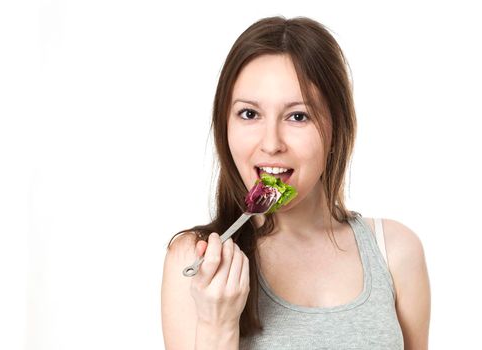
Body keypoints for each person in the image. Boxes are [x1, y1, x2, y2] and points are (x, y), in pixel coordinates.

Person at [161, 16, 430, 350]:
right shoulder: (194, 262)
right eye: (249, 114)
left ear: (337, 127)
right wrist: (216, 325)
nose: (271, 143)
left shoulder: (395, 252)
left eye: (298, 116)